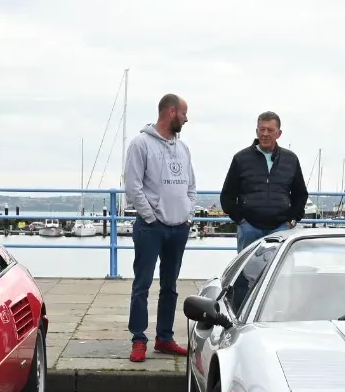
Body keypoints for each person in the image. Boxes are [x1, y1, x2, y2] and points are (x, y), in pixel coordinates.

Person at [123, 93, 197, 362]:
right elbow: (133, 186)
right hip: (151, 228)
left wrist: (187, 213)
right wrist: (151, 217)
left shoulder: (183, 148)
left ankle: (164, 338)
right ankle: (138, 339)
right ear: (170, 112)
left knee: (170, 286)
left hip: (179, 228)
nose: (186, 118)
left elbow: (191, 186)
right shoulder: (141, 144)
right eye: (184, 113)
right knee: (142, 285)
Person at [219, 111, 309, 250]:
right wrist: (241, 221)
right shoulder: (241, 159)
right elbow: (227, 195)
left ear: (279, 133)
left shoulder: (290, 159)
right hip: (249, 229)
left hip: (282, 229)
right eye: (262, 129)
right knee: (247, 271)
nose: (265, 134)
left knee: (280, 272)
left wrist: (291, 221)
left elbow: (300, 194)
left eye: (270, 130)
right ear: (257, 131)